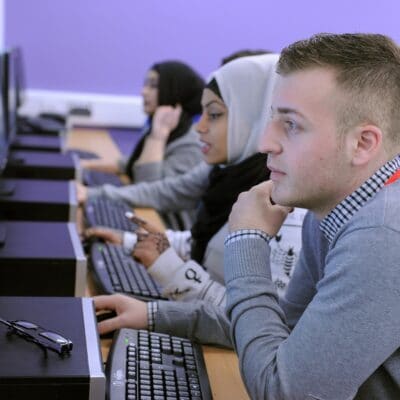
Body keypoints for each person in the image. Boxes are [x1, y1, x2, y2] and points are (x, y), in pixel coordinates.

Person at [95, 33, 400, 399]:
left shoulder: (382, 234)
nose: (264, 143)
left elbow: (284, 392)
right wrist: (157, 316)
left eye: (291, 125)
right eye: (272, 120)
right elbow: (285, 325)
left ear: (362, 144)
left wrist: (247, 240)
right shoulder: (334, 209)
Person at [87, 54, 301, 306]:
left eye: (214, 114)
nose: (199, 128)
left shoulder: (286, 206)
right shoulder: (230, 173)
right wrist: (134, 241)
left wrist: (169, 271)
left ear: (255, 119)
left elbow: (262, 315)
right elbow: (205, 245)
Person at [80, 61, 204, 183]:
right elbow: (136, 163)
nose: (143, 92)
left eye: (153, 86)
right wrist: (86, 164)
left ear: (175, 93)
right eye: (146, 85)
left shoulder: (191, 144)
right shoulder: (171, 129)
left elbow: (148, 185)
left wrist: (157, 137)